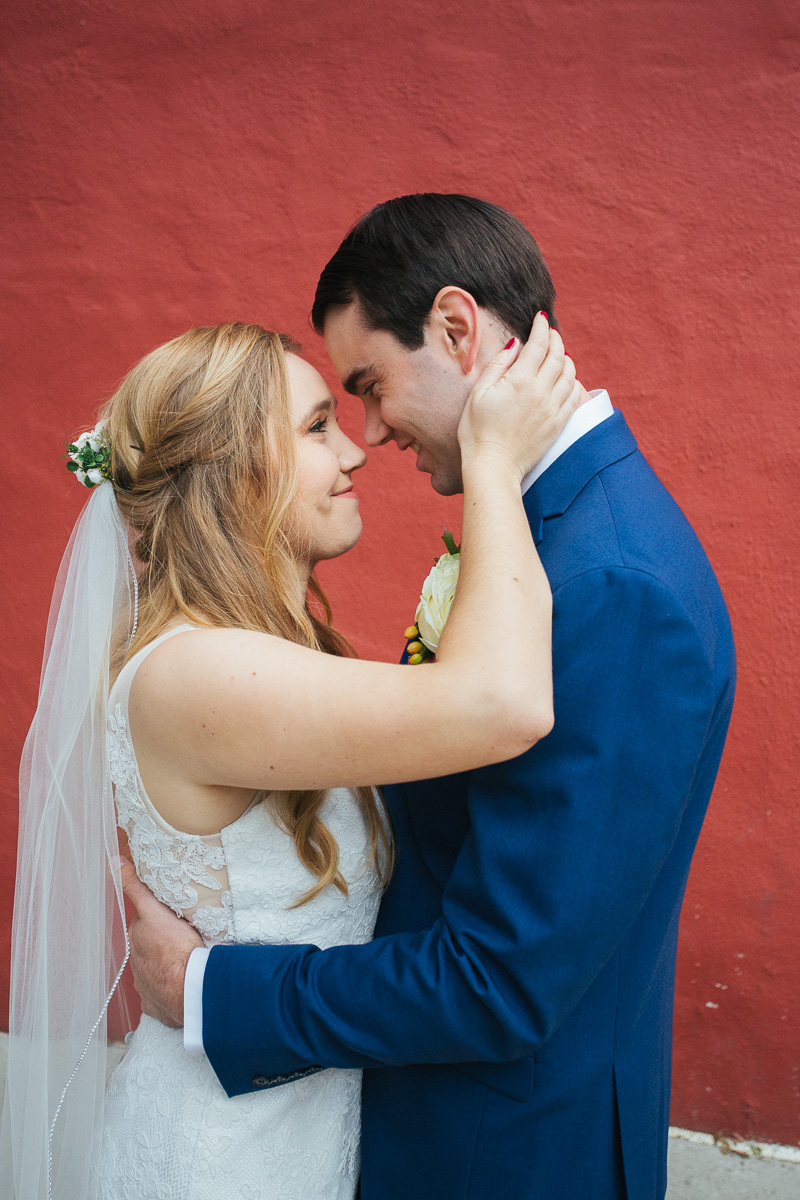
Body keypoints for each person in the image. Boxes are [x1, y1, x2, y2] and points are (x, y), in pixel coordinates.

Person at [121, 195, 737, 1200]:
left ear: (454, 328)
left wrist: (206, 989)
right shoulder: (546, 539)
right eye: (329, 415)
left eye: (364, 386)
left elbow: (501, 980)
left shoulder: (610, 586)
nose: (366, 434)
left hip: (501, 1154)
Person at [0, 316, 580, 1200]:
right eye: (316, 428)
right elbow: (502, 705)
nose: (356, 452)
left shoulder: (266, 651)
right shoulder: (197, 671)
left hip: (299, 1129)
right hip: (225, 1158)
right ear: (232, 470)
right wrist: (493, 464)